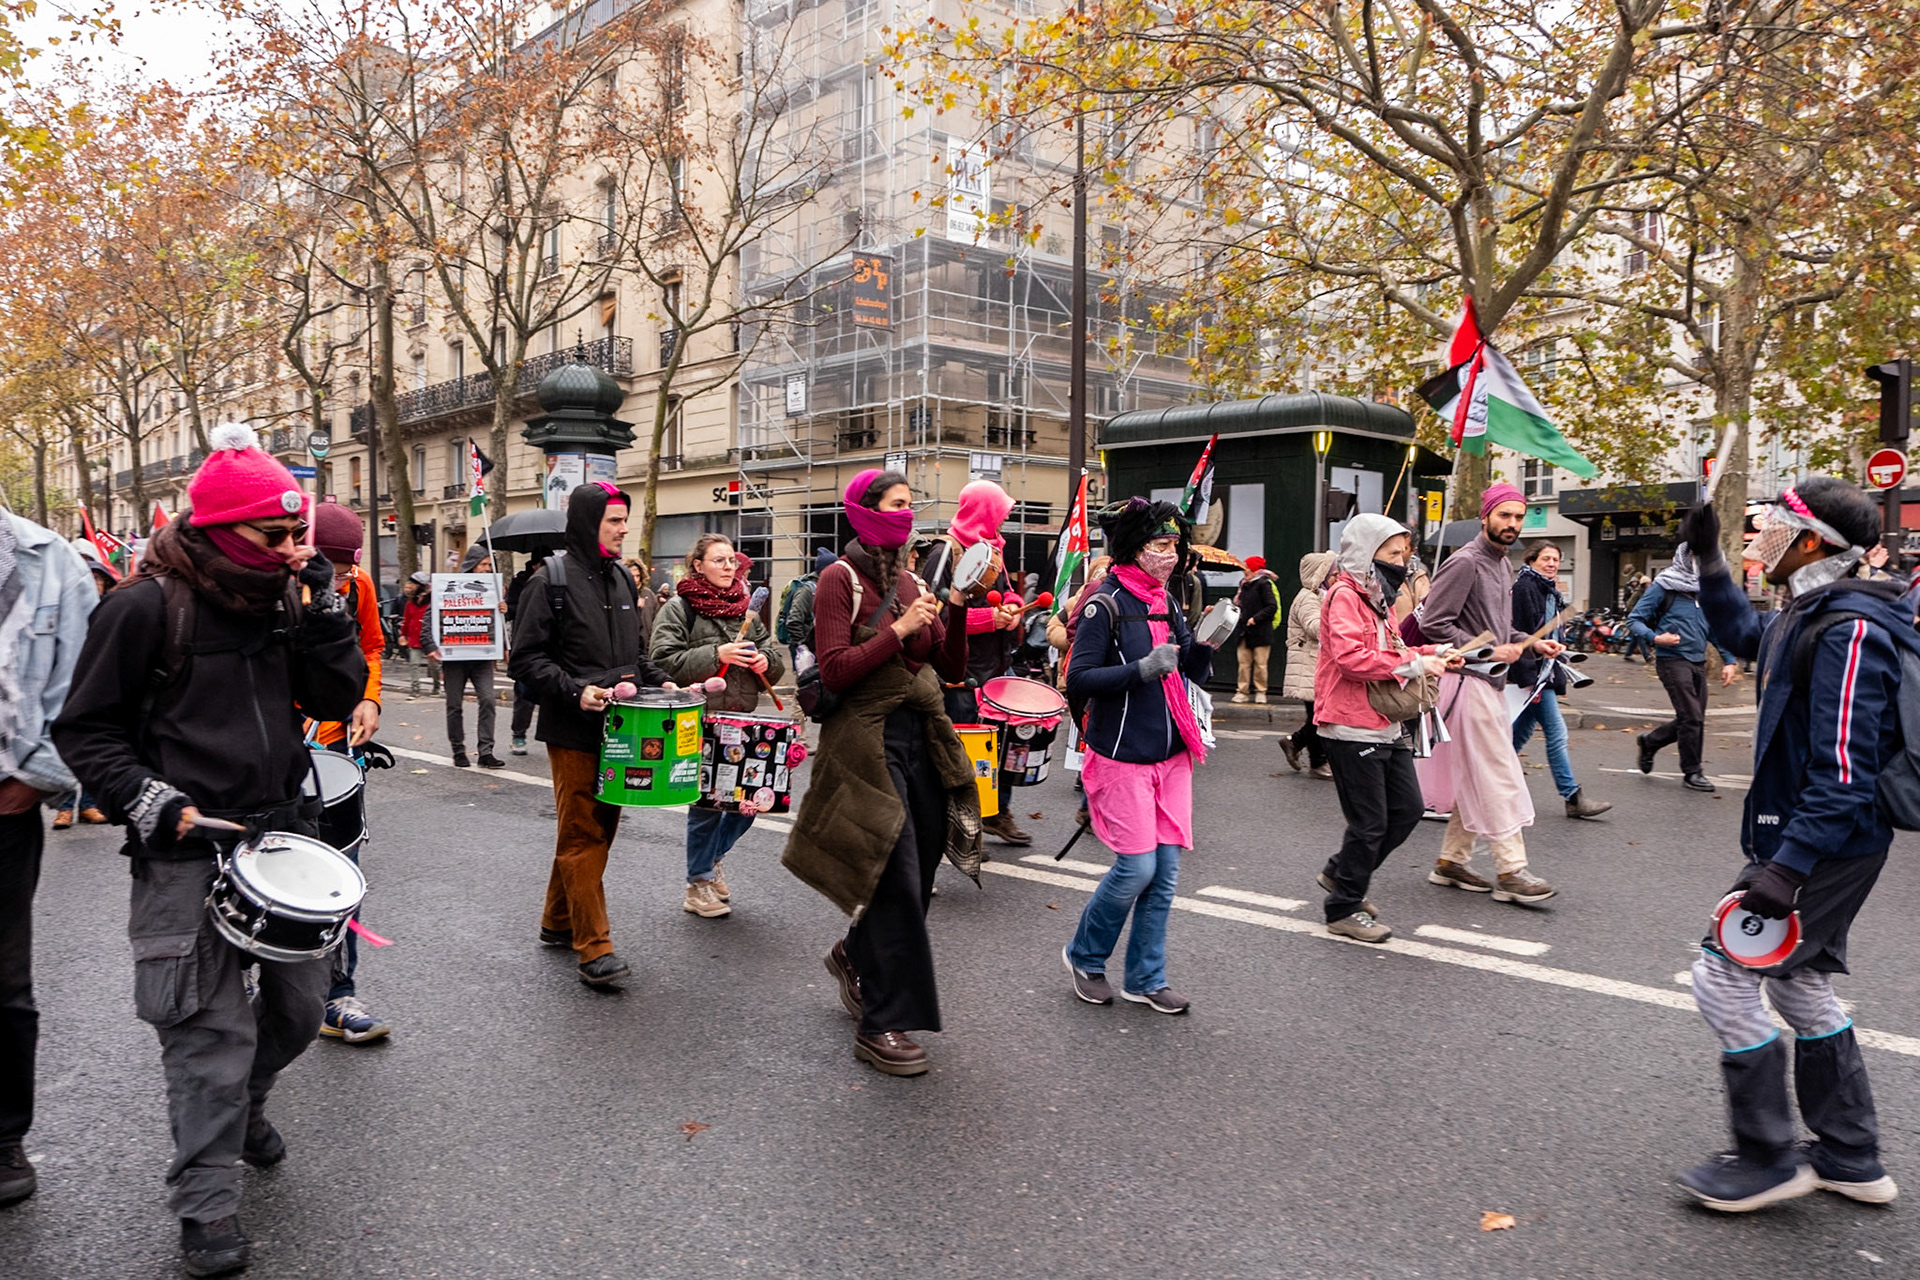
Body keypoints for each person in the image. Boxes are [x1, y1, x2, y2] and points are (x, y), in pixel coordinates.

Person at [50, 425, 366, 1275]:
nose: (296, 550)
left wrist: (325, 607)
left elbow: (333, 695)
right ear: (228, 530)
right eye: (281, 536)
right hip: (183, 849)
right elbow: (84, 731)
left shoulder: (282, 598)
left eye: (300, 535)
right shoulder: (145, 606)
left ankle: (246, 1107)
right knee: (207, 1032)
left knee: (300, 1011)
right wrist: (151, 801)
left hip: (280, 833)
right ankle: (206, 1208)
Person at [1672, 479, 1908, 1212]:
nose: (1757, 536)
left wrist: (1785, 870)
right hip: (1816, 839)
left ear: (1811, 543)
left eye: (1770, 525)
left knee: (1721, 977)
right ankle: (1850, 1155)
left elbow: (1843, 772)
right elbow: (1747, 637)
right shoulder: (1808, 610)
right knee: (1799, 983)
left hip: (1823, 843)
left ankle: (1769, 1158)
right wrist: (1709, 562)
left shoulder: (1849, 630)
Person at [781, 469, 981, 1077]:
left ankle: (853, 953)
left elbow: (947, 663)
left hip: (919, 733)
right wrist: (898, 629)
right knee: (895, 876)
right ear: (866, 513)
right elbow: (836, 669)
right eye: (897, 505)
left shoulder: (913, 577)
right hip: (867, 740)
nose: (907, 515)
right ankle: (882, 1021)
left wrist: (955, 605)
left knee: (918, 876)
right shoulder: (835, 581)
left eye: (911, 507)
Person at [508, 483, 673, 989]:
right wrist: (577, 692)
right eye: (614, 522)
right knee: (584, 833)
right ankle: (594, 948)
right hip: (573, 728)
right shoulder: (548, 581)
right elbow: (525, 661)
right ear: (587, 523)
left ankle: (558, 921)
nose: (624, 530)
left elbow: (634, 655)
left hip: (623, 729)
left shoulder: (624, 578)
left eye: (625, 520)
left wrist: (657, 680)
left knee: (599, 829)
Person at [1061, 498, 1215, 1015]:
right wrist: (1142, 669)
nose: (1170, 556)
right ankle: (1085, 957)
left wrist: (1209, 643)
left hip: (1172, 752)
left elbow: (1188, 669)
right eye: (1159, 545)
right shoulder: (1102, 604)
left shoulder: (1167, 602)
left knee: (1165, 873)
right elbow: (1078, 679)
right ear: (1134, 547)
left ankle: (1146, 978)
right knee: (1136, 869)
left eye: (1175, 546)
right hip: (1122, 753)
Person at [0, 508, 95, 1209]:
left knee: (4, 983)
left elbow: (86, 687)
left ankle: (3, 1139)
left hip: (2, 805)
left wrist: (35, 780)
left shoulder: (50, 560)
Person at [1414, 483, 1561, 905]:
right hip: (1465, 683)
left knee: (1477, 773)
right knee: (1498, 772)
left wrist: (1532, 642)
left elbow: (1499, 629)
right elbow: (1433, 624)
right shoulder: (1465, 562)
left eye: (1518, 517)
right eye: (1505, 516)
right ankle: (1511, 869)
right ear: (1486, 517)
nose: (1512, 524)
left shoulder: (1502, 564)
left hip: (1489, 682)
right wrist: (1488, 650)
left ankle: (1451, 861)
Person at [1312, 515, 1457, 942]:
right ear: (1365, 554)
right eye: (1392, 553)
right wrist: (1416, 664)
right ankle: (1342, 906)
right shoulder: (1343, 596)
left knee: (1408, 810)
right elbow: (1350, 659)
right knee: (1370, 823)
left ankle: (1342, 874)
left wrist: (1434, 652)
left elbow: (1393, 647)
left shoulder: (1377, 597)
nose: (1402, 560)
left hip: (1385, 721)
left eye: (1404, 552)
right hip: (1349, 723)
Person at [650, 533, 785, 919]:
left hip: (744, 720)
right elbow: (661, 660)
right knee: (707, 807)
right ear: (698, 565)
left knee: (753, 801)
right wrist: (716, 653)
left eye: (731, 561)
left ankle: (713, 858)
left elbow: (772, 655)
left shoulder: (746, 606)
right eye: (719, 561)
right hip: (702, 720)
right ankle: (698, 882)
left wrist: (765, 662)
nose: (729, 568)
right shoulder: (680, 607)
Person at [307, 502, 392, 1045]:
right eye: (334, 568)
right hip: (272, 762)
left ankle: (338, 996)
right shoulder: (271, 589)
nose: (344, 578)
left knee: (343, 880)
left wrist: (369, 699)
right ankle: (245, 986)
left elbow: (372, 647)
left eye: (348, 568)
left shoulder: (357, 587)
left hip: (336, 757)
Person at [940, 478, 1031, 847]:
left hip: (997, 665)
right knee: (966, 757)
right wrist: (987, 620)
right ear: (983, 511)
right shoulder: (947, 552)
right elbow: (939, 617)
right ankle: (961, 828)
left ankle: (995, 813)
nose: (1003, 522)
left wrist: (1011, 605)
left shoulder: (993, 548)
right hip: (963, 673)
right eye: (1000, 514)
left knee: (1006, 746)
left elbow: (1005, 591)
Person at [1511, 541, 1611, 819]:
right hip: (1535, 673)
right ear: (1531, 560)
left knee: (1518, 735)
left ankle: (1485, 781)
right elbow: (1521, 631)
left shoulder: (1547, 590)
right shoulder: (1524, 588)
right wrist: (1530, 677)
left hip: (1545, 671)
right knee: (1557, 734)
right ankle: (1572, 797)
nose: (1552, 564)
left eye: (1555, 559)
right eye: (1546, 558)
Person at [1629, 545, 1734, 794]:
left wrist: (1729, 660)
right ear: (1685, 558)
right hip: (1672, 660)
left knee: (1692, 719)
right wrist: (1656, 638)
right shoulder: (1664, 586)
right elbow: (1634, 620)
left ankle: (1649, 742)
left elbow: (1715, 631)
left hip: (1698, 662)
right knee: (1692, 718)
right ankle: (1692, 772)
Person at [46, 543, 115, 830]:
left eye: (98, 579)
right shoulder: (63, 609)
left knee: (92, 745)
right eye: (90, 579)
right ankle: (64, 806)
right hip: (65, 685)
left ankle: (89, 804)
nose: (94, 584)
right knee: (63, 747)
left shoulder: (112, 609)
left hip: (96, 685)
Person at [426, 543, 506, 769]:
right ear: (472, 565)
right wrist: (431, 646)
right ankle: (458, 750)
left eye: (490, 565)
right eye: (483, 564)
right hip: (454, 659)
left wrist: (503, 610)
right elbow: (428, 621)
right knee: (454, 705)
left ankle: (486, 751)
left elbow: (498, 624)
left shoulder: (495, 589)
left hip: (481, 658)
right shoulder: (446, 587)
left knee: (489, 700)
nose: (487, 569)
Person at [1279, 551, 1337, 778]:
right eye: (1333, 572)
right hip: (1308, 666)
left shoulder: (1323, 594)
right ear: (1320, 574)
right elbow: (1315, 627)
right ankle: (1318, 762)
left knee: (1319, 715)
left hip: (1318, 665)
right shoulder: (1307, 598)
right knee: (1319, 717)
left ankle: (1294, 743)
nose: (1337, 576)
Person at [503, 548, 552, 755]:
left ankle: (550, 734)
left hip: (551, 642)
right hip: (525, 640)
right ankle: (519, 734)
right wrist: (506, 608)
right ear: (535, 566)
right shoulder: (520, 582)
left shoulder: (557, 581)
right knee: (524, 692)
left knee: (553, 692)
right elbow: (512, 609)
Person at [780, 546, 839, 673]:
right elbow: (793, 620)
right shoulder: (807, 591)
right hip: (809, 655)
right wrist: (804, 647)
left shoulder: (828, 587)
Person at [1232, 554, 1280, 704]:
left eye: (1246, 569)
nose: (1244, 572)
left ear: (1254, 570)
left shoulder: (1263, 584)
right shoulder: (1244, 586)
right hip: (1244, 631)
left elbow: (1272, 606)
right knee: (1243, 663)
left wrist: (1256, 618)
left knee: (1260, 664)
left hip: (1260, 632)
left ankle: (1261, 691)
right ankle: (1242, 691)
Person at [401, 572, 436, 695]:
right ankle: (415, 689)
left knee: (433, 666)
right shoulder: (411, 602)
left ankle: (436, 686)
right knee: (414, 663)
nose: (411, 587)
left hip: (430, 638)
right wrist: (403, 634)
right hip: (415, 637)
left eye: (414, 584)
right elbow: (407, 619)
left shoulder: (432, 600)